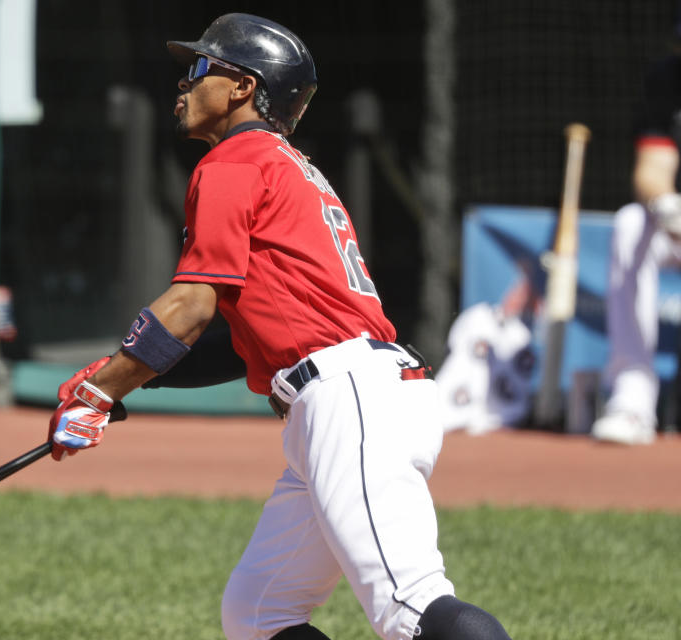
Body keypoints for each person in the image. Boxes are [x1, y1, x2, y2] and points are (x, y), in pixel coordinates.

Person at [46, 14, 512, 640]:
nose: (184, 83)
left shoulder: (235, 161)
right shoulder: (281, 164)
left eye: (200, 68)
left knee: (410, 606)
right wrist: (128, 381)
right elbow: (237, 347)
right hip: (348, 392)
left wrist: (100, 393)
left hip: (349, 397)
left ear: (241, 86)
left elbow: (191, 305)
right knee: (258, 613)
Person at [590, 48, 681, 445]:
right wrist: (668, 210)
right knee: (632, 222)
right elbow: (651, 170)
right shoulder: (668, 78)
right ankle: (633, 399)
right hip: (678, 225)